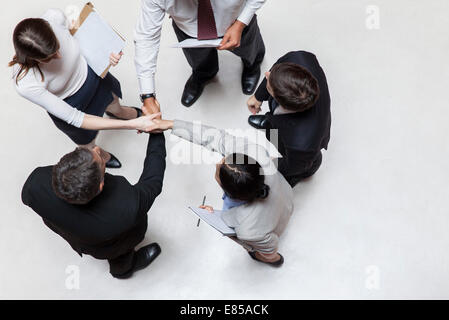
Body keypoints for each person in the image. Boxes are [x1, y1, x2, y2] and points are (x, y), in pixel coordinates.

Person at [21, 113, 166, 279]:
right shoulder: (127, 205)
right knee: (121, 255)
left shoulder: (35, 183)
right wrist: (156, 132)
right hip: (113, 244)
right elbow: (153, 180)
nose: (97, 148)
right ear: (100, 185)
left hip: (81, 239)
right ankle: (123, 270)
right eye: (101, 162)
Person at [9, 9, 154, 168]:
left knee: (112, 100)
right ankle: (100, 155)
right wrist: (133, 125)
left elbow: (82, 32)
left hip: (93, 76)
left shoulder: (54, 17)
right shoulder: (25, 82)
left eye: (57, 46)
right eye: (49, 58)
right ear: (32, 59)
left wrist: (106, 52)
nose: (58, 56)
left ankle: (118, 112)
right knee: (87, 141)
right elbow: (75, 118)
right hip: (72, 104)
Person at [148, 119, 293, 266]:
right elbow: (217, 137)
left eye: (219, 170)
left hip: (273, 222)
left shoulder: (249, 230)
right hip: (285, 195)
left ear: (227, 190)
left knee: (265, 254)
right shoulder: (255, 153)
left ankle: (273, 262)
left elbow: (268, 246)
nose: (218, 162)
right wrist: (170, 124)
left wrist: (221, 220)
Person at [135, 0, 266, 109]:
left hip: (237, 20)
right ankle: (203, 74)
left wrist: (241, 23)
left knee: (250, 50)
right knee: (199, 62)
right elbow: (147, 38)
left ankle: (252, 66)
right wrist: (148, 95)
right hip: (189, 30)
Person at [246, 51, 332, 187]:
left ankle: (300, 174)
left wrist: (274, 164)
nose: (267, 74)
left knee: (297, 166)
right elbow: (275, 70)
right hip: (286, 123)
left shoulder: (302, 145)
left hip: (301, 154)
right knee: (274, 131)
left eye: (270, 84)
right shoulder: (299, 59)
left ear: (282, 102)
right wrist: (258, 97)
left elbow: (293, 166)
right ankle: (270, 123)